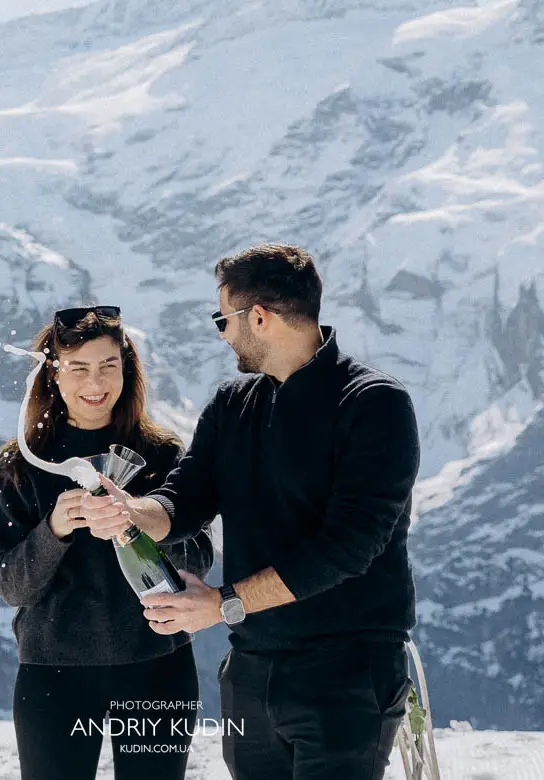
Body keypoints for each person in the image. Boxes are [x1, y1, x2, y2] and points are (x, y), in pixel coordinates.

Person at [80, 245, 421, 780]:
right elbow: (185, 497)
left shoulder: (373, 404)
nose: (221, 334)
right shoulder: (232, 403)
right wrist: (133, 511)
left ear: (258, 318)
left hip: (347, 674)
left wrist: (223, 604)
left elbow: (351, 546)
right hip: (252, 672)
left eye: (223, 319)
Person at [0, 305, 215, 780]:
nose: (96, 383)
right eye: (79, 368)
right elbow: (9, 585)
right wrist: (55, 529)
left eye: (109, 366)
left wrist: (139, 523)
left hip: (157, 668)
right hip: (54, 674)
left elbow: (201, 559)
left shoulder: (164, 456)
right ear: (52, 374)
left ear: (127, 371)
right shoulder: (23, 465)